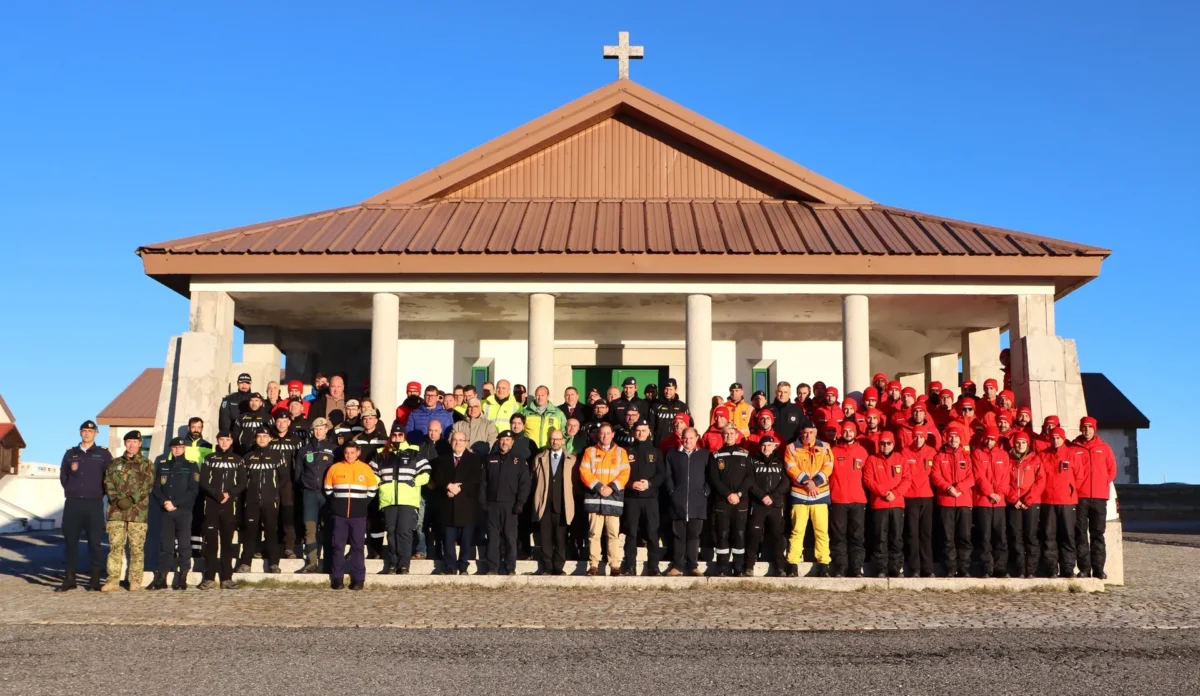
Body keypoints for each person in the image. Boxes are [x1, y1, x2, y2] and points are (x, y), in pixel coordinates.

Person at [57, 420, 113, 592]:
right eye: (84, 430)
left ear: (96, 433)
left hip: (94, 503)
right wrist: (72, 490)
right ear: (80, 433)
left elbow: (109, 477)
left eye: (90, 430)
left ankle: (94, 579)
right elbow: (64, 476)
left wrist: (99, 493)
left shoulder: (103, 454)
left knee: (95, 542)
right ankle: (69, 578)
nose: (87, 433)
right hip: (73, 503)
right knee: (70, 541)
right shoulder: (70, 454)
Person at [101, 431, 155, 592]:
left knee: (136, 548)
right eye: (129, 441)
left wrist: (131, 500)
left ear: (140, 444)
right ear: (125, 443)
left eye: (135, 442)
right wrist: (117, 499)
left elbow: (148, 485)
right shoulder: (115, 463)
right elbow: (107, 482)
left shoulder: (147, 464)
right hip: (116, 512)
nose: (132, 445)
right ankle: (112, 580)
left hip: (138, 513)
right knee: (115, 547)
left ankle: (135, 580)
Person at [323, 442, 379, 590]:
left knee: (358, 547)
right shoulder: (335, 468)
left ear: (358, 453)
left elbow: (373, 489)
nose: (349, 455)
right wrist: (337, 503)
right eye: (347, 452)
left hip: (358, 515)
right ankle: (337, 578)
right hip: (339, 515)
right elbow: (328, 488)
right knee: (337, 547)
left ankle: (358, 579)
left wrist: (362, 503)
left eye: (352, 452)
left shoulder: (365, 469)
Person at [375, 423, 430, 575]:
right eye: (394, 435)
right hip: (388, 500)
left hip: (408, 500)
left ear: (404, 436)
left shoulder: (414, 452)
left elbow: (425, 473)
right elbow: (372, 472)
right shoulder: (382, 453)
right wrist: (380, 483)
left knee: (404, 533)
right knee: (391, 533)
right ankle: (393, 564)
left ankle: (404, 565)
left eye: (400, 435)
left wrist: (414, 482)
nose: (397, 438)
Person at [579, 423, 631, 576]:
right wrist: (599, 487)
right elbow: (584, 471)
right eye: (602, 433)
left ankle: (614, 565)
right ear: (597, 435)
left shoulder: (621, 452)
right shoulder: (590, 451)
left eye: (607, 433)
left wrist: (611, 487)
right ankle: (593, 565)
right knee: (594, 534)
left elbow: (625, 473)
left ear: (613, 434)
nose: (604, 436)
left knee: (613, 534)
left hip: (613, 498)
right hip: (595, 498)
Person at [148, 437, 200, 591]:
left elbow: (193, 490)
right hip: (165, 511)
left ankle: (182, 576)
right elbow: (156, 488)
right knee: (166, 545)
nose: (177, 450)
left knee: (184, 544)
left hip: (183, 511)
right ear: (171, 449)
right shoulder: (163, 465)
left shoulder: (191, 466)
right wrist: (165, 502)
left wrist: (175, 503)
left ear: (184, 449)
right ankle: (162, 576)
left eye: (180, 448)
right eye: (174, 447)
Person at [197, 431, 245, 590]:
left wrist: (229, 494)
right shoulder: (210, 458)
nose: (224, 443)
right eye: (222, 440)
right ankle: (209, 577)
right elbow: (203, 481)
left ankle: (227, 578)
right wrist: (217, 495)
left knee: (227, 543)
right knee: (211, 542)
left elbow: (242, 483)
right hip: (212, 504)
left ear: (232, 441)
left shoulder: (238, 460)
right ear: (217, 440)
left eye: (228, 440)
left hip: (230, 505)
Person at [784, 423, 834, 577]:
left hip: (820, 495)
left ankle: (824, 563)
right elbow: (791, 467)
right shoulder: (791, 448)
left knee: (822, 532)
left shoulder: (825, 447)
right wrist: (807, 482)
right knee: (797, 531)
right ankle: (793, 563)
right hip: (800, 495)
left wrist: (816, 482)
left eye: (811, 432)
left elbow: (829, 466)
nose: (808, 435)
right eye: (805, 432)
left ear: (816, 432)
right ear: (801, 432)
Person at [431, 431, 484, 574]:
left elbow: (476, 479)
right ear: (450, 442)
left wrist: (458, 488)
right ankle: (450, 566)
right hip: (448, 505)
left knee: (466, 540)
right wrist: (448, 486)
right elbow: (438, 477)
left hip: (467, 505)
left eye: (461, 440)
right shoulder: (442, 459)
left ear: (466, 442)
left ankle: (463, 566)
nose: (458, 443)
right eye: (455, 440)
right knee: (448, 539)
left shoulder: (474, 459)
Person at [235, 428, 284, 575]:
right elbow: (242, 480)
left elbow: (284, 478)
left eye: (265, 436)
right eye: (259, 436)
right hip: (252, 500)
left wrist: (273, 492)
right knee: (250, 532)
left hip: (270, 501)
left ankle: (274, 563)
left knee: (271, 532)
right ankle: (245, 563)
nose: (262, 439)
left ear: (270, 439)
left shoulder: (277, 456)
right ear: (255, 439)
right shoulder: (248, 457)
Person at [1040, 427, 1087, 578]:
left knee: (1067, 535)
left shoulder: (1071, 454)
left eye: (1058, 438)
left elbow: (1080, 476)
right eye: (1053, 438)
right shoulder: (1043, 455)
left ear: (1063, 438)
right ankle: (1051, 569)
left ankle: (1068, 568)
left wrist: (1071, 490)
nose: (1055, 440)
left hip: (1067, 501)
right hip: (1047, 500)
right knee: (1049, 536)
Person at [482, 430, 531, 575]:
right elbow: (483, 483)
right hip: (492, 505)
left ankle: (510, 568)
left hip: (511, 506)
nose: (505, 443)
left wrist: (520, 503)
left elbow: (524, 484)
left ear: (512, 442)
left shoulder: (519, 460)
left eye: (508, 440)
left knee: (510, 538)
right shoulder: (490, 459)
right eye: (502, 440)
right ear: (498, 441)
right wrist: (483, 502)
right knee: (493, 538)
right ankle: (492, 568)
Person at [664, 428, 711, 577]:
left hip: (698, 502)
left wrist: (705, 492)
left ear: (697, 438)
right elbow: (668, 475)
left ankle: (692, 565)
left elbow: (711, 476)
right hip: (678, 501)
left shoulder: (705, 455)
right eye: (685, 438)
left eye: (691, 438)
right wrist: (672, 491)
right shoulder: (673, 454)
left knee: (694, 535)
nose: (688, 441)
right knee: (678, 535)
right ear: (681, 438)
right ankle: (677, 566)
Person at [1074, 416, 1116, 579]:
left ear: (1094, 429)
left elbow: (1112, 470)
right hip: (1080, 497)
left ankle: (1098, 569)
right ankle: (1084, 568)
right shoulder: (1074, 447)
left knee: (1098, 533)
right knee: (1081, 534)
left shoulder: (1104, 448)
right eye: (1084, 427)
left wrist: (1102, 482)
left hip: (1099, 498)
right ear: (1080, 429)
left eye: (1090, 427)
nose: (1087, 430)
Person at [863, 432, 910, 578]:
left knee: (896, 537)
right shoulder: (872, 459)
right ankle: (881, 568)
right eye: (883, 443)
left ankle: (895, 568)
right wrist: (884, 493)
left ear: (893, 444)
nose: (885, 446)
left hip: (896, 503)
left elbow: (907, 479)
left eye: (888, 443)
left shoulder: (900, 459)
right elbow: (868, 480)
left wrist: (895, 493)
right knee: (880, 537)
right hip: (879, 503)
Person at [532, 429, 578, 575]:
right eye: (552, 439)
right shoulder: (540, 458)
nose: (555, 442)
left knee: (560, 537)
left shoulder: (571, 460)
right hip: (544, 503)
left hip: (562, 504)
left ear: (563, 441)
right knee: (545, 537)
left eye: (558, 439)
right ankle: (547, 566)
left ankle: (558, 567)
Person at [294, 417, 337, 573]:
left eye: (321, 428)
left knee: (328, 528)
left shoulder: (334, 449)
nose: (318, 431)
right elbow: (298, 474)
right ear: (312, 430)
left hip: (327, 494)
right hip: (309, 493)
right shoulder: (304, 450)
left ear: (326, 429)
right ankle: (312, 562)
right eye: (316, 429)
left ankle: (329, 562)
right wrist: (305, 485)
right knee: (309, 528)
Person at [710, 424, 752, 576]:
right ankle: (722, 567)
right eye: (726, 433)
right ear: (722, 436)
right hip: (723, 501)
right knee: (722, 534)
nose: (729, 436)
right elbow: (714, 479)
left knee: (739, 533)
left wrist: (738, 494)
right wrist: (728, 494)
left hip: (741, 501)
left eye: (732, 433)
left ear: (737, 435)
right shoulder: (716, 455)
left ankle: (738, 567)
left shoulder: (745, 454)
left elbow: (749, 477)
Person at [931, 426, 974, 577]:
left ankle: (964, 568)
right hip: (946, 501)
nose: (953, 439)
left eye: (956, 437)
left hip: (963, 501)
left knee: (964, 537)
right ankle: (950, 568)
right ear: (946, 439)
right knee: (947, 537)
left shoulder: (966, 456)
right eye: (951, 437)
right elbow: (936, 476)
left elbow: (971, 477)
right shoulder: (939, 456)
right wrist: (948, 487)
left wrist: (959, 488)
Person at [623, 422, 664, 576]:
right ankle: (630, 567)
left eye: (643, 430)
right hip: (632, 498)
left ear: (649, 432)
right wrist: (630, 484)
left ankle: (654, 567)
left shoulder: (656, 451)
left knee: (652, 533)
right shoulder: (626, 452)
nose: (640, 433)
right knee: (631, 533)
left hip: (650, 498)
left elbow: (662, 474)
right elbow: (620, 474)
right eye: (638, 430)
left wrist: (650, 483)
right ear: (634, 432)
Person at [828, 422, 868, 578]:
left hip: (858, 500)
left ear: (855, 433)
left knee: (857, 536)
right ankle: (841, 568)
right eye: (845, 431)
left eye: (851, 431)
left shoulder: (862, 452)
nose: (848, 433)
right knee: (839, 536)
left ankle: (856, 568)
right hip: (838, 499)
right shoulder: (834, 451)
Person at [744, 436, 788, 577]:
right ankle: (749, 566)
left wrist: (773, 496)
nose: (766, 448)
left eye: (769, 445)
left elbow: (785, 483)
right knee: (754, 534)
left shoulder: (780, 461)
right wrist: (762, 496)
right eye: (763, 445)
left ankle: (780, 567)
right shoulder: (753, 460)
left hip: (775, 504)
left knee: (777, 536)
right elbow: (750, 481)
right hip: (758, 503)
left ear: (774, 446)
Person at [971, 427, 1010, 578]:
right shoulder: (977, 454)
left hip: (999, 502)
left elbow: (1006, 477)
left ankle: (1000, 567)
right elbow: (978, 475)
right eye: (987, 439)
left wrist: (999, 493)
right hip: (983, 500)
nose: (989, 441)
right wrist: (990, 493)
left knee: (1000, 536)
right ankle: (986, 567)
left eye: (992, 439)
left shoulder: (1003, 455)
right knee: (984, 536)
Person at [1005, 431, 1045, 579]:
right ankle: (1020, 569)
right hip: (1014, 503)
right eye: (1017, 442)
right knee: (1016, 536)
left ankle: (1031, 569)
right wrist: (1014, 499)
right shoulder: (1008, 460)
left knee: (1031, 535)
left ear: (1027, 444)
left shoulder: (1035, 459)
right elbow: (1005, 482)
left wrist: (1028, 499)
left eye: (1023, 442)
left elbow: (1040, 481)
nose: (1020, 445)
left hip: (1031, 503)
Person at [901, 426, 937, 578]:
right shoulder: (905, 452)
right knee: (912, 533)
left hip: (927, 496)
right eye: (916, 437)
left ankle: (927, 568)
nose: (918, 440)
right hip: (911, 496)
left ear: (925, 438)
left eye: (921, 437)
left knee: (926, 534)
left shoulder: (932, 452)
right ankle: (915, 567)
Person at [268, 412, 301, 559]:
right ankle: (270, 545)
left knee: (288, 514)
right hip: (270, 482)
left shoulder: (297, 441)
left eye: (284, 421)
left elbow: (300, 463)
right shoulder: (269, 439)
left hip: (289, 483)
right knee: (271, 515)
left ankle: (289, 546)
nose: (281, 424)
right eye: (279, 421)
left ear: (289, 422)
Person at [650, 378, 689, 445]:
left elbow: (689, 425)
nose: (668, 392)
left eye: (671, 389)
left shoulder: (682, 406)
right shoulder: (655, 406)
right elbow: (651, 425)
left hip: (677, 443)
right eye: (666, 389)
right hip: (659, 444)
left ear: (676, 389)